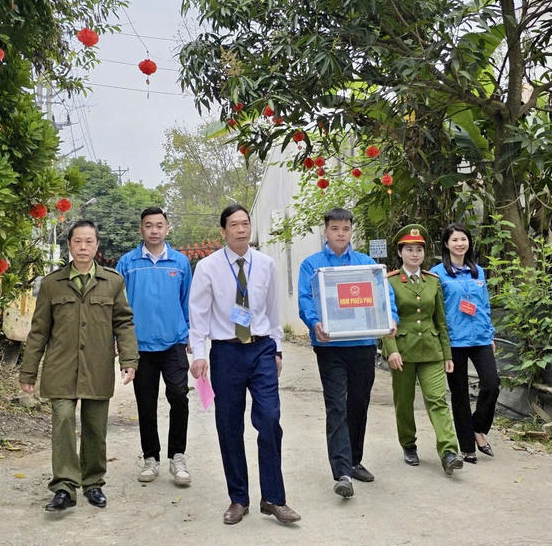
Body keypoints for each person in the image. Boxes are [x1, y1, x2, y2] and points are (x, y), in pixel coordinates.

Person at [188, 204, 300, 525]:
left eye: (245, 223)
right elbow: (198, 316)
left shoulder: (265, 264)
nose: (241, 229)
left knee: (270, 418)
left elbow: (273, 310)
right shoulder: (208, 267)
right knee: (229, 425)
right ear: (222, 232)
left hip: (262, 349)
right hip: (226, 353)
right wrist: (199, 354)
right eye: (234, 225)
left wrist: (277, 349)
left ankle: (274, 499)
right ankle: (238, 498)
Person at [20, 220, 139, 512]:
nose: (83, 247)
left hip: (97, 366)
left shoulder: (113, 282)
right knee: (62, 420)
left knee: (95, 426)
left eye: (89, 242)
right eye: (78, 242)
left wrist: (129, 359)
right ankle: (64, 486)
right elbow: (39, 331)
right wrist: (28, 371)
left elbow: (123, 322)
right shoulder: (51, 284)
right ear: (69, 245)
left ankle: (94, 482)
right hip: (60, 366)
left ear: (97, 246)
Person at [297, 207, 387, 498]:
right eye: (334, 229)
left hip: (362, 344)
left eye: (345, 229)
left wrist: (391, 318)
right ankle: (342, 473)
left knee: (358, 403)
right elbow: (305, 299)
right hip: (330, 346)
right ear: (326, 231)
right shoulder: (312, 265)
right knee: (337, 404)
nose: (340, 234)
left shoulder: (366, 264)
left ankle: (355, 459)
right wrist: (315, 322)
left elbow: (385, 294)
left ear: (351, 231)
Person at [115, 207, 194, 487]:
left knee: (179, 397)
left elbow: (188, 302)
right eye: (149, 225)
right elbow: (118, 305)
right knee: (145, 404)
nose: (154, 230)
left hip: (173, 344)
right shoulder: (127, 263)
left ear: (167, 228)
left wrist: (188, 335)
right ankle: (151, 458)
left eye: (159, 225)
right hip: (140, 347)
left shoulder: (180, 262)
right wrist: (120, 341)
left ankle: (178, 456)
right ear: (141, 230)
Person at [383, 224, 462, 475]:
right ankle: (408, 445)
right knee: (404, 403)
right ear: (400, 252)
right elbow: (385, 319)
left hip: (431, 350)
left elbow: (441, 320)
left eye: (419, 249)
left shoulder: (433, 281)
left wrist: (447, 354)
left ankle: (449, 451)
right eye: (409, 249)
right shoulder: (390, 281)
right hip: (403, 351)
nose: (415, 254)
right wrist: (391, 349)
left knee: (437, 400)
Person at [430, 222, 501, 464]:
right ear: (446, 244)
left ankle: (477, 428)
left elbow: (484, 305)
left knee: (492, 384)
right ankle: (467, 446)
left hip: (480, 338)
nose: (460, 244)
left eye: (463, 239)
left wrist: (489, 334)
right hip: (454, 340)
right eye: (455, 240)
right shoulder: (437, 273)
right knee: (459, 394)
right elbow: (436, 310)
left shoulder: (477, 271)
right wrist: (441, 344)